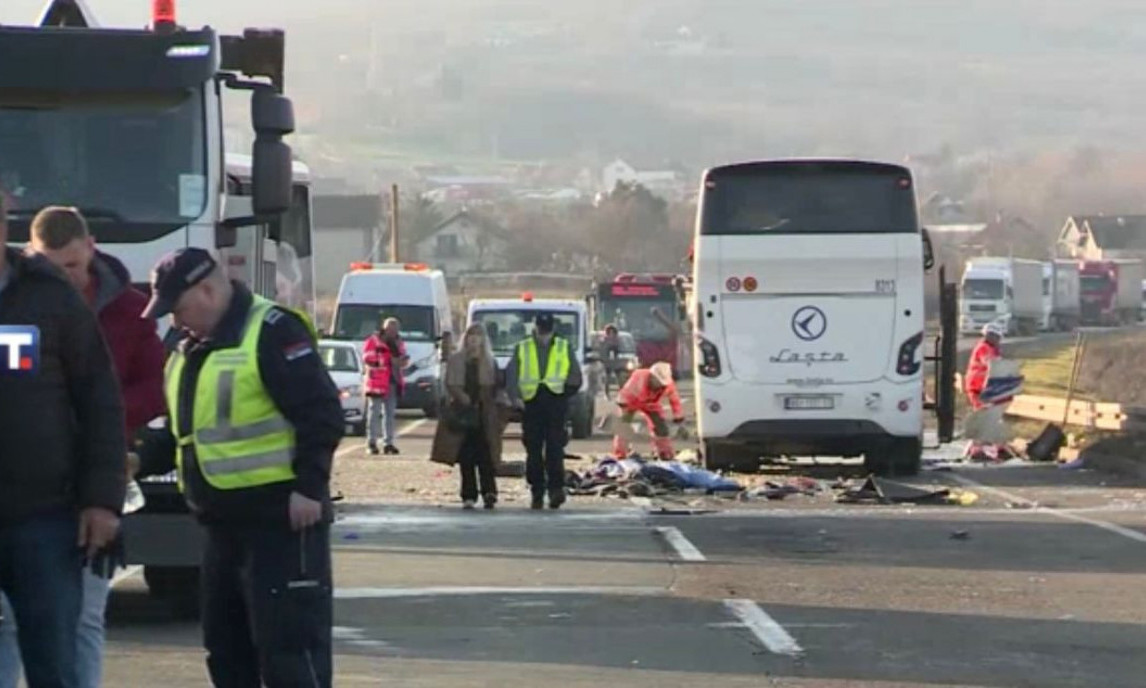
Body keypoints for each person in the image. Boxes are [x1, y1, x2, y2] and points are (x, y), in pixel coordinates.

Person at [136, 247, 343, 687]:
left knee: (289, 652)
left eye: (180, 308)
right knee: (227, 652)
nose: (175, 320)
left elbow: (321, 413)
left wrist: (309, 486)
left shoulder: (271, 331)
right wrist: (136, 460)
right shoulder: (190, 349)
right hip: (221, 527)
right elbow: (184, 431)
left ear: (208, 291)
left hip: (280, 525)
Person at [0, 207, 165, 688]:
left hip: (44, 518)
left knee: (57, 656)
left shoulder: (48, 299)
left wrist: (101, 500)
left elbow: (100, 401)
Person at [506, 312, 582, 510]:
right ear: (535, 328)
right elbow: (512, 374)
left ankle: (556, 489)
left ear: (552, 329)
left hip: (555, 401)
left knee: (555, 448)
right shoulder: (523, 347)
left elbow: (575, 374)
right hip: (531, 403)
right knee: (533, 449)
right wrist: (515, 398)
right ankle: (537, 490)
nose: (544, 334)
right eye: (541, 330)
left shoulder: (564, 347)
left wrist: (567, 393)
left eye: (546, 330)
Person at [431, 324, 504, 509]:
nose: (474, 339)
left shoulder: (489, 361)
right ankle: (468, 495)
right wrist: (462, 397)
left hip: (484, 414)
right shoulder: (457, 360)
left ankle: (489, 492)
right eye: (471, 335)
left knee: (486, 455)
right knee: (466, 457)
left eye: (478, 336)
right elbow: (451, 383)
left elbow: (495, 386)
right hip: (462, 413)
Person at [612, 362, 685, 460]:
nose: (659, 384)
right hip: (630, 400)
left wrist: (678, 418)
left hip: (651, 403)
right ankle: (620, 453)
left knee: (661, 428)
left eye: (662, 382)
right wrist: (623, 406)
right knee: (623, 427)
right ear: (652, 376)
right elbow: (626, 391)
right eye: (658, 381)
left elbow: (675, 401)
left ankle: (664, 453)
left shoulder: (668, 385)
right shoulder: (639, 377)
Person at [363, 317, 409, 455]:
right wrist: (388, 360)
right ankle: (371, 443)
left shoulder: (399, 342)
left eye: (395, 329)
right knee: (374, 413)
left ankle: (388, 443)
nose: (393, 331)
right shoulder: (374, 341)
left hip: (393, 381)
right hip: (376, 383)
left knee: (390, 415)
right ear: (384, 328)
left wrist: (402, 361)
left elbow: (403, 357)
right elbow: (367, 358)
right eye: (390, 328)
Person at [965, 322, 1004, 410]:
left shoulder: (991, 349)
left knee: (985, 411)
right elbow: (991, 363)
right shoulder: (983, 347)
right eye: (997, 337)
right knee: (982, 411)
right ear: (989, 336)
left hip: (983, 387)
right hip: (977, 387)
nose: (998, 340)